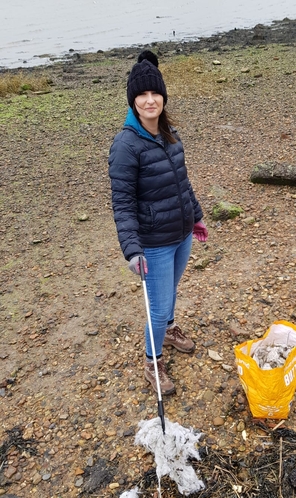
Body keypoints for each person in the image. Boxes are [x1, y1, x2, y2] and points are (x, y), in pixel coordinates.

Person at [109, 50, 208, 396]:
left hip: (180, 234)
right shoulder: (125, 145)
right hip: (154, 242)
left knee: (169, 294)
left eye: (155, 94)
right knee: (158, 302)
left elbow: (182, 182)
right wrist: (132, 249)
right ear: (133, 100)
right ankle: (153, 362)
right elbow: (122, 204)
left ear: (163, 97)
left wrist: (195, 216)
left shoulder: (170, 134)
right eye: (142, 95)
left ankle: (169, 328)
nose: (150, 100)